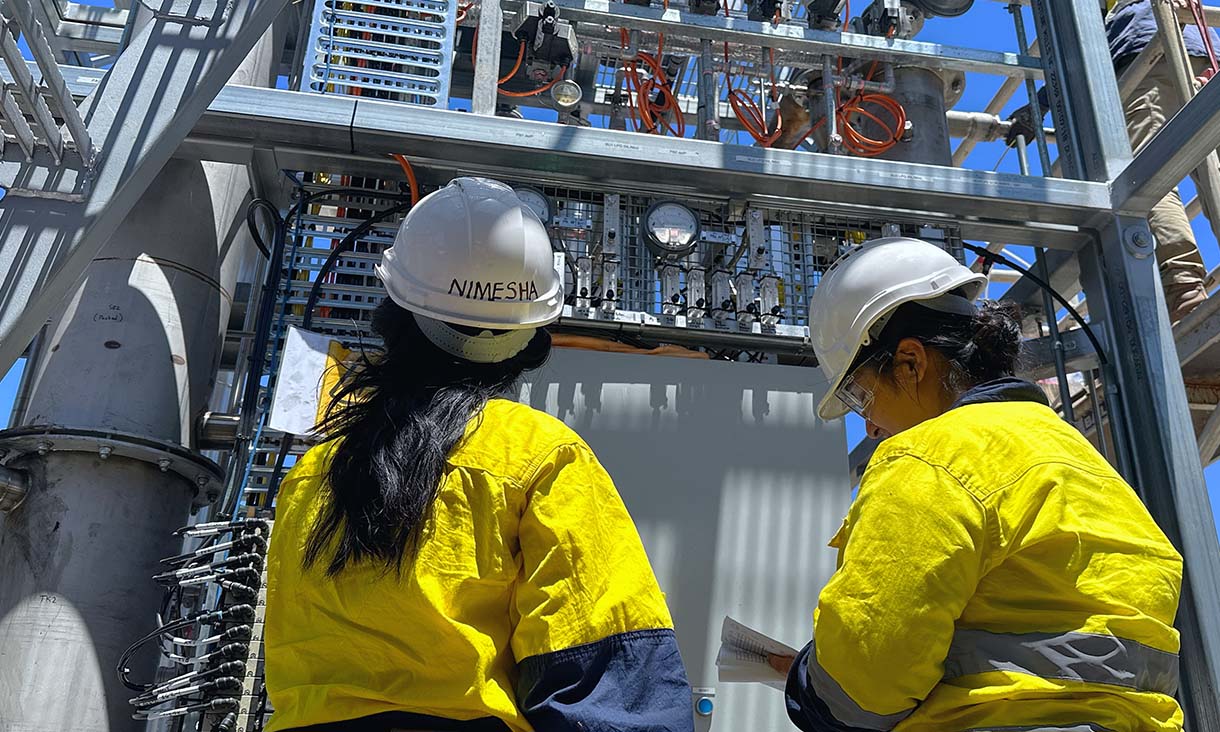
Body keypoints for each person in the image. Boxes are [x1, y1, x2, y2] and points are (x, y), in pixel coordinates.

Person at [262, 177, 694, 732]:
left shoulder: (312, 474)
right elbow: (606, 684)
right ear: (532, 340)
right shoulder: (539, 456)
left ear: (394, 314)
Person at [775, 237, 1185, 732]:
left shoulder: (932, 455)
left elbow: (865, 682)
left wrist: (806, 682)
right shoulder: (1083, 462)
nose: (870, 425)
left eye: (861, 395)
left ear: (910, 362)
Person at [1007, 0, 1220, 322]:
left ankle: (1184, 288)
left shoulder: (1122, 15)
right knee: (1213, 169)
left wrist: (1038, 106)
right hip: (1203, 55)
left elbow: (1081, 52)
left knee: (1153, 176)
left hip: (1148, 60)